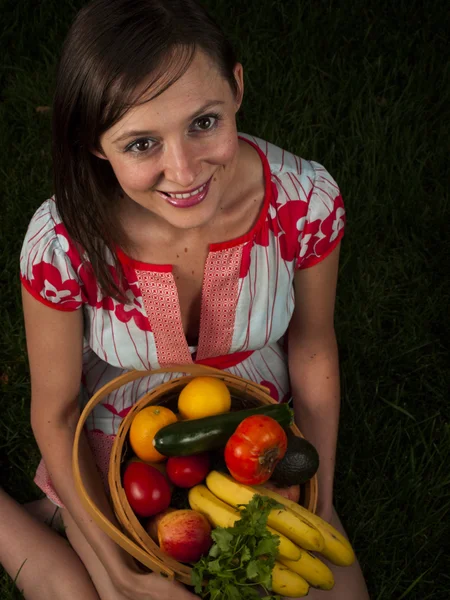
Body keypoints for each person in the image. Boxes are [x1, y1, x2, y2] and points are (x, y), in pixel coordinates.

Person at [0, 0, 370, 598]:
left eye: (204, 123)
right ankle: (25, 520)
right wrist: (118, 570)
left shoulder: (306, 203)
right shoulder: (61, 243)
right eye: (141, 144)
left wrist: (321, 501)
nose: (183, 169)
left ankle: (59, 514)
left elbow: (312, 348)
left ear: (238, 88)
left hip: (250, 431)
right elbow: (56, 410)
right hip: (122, 438)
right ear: (96, 144)